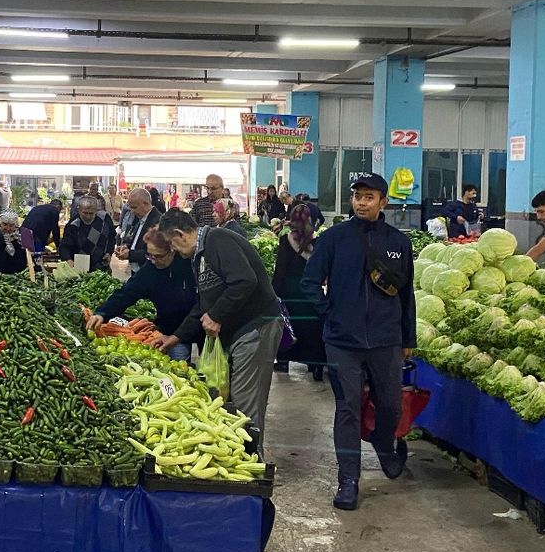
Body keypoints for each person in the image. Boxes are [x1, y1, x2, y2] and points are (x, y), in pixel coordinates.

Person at [300, 173, 415, 511]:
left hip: (386, 340)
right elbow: (309, 282)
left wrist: (408, 336)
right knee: (347, 409)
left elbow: (407, 294)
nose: (362, 202)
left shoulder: (398, 242)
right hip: (342, 341)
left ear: (384, 202)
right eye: (358, 197)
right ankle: (348, 479)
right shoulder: (334, 238)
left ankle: (383, 443)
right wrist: (329, 312)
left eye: (369, 197)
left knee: (391, 405)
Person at [153, 209, 282, 434]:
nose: (172, 249)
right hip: (239, 332)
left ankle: (251, 464)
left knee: (244, 403)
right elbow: (204, 304)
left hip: (255, 327)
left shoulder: (218, 240)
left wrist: (217, 315)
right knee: (230, 400)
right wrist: (175, 337)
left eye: (171, 243)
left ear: (180, 234)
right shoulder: (200, 255)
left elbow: (245, 280)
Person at [88, 228, 198, 362]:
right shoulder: (149, 271)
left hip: (199, 323)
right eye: (150, 255)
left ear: (172, 250)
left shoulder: (189, 264)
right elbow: (126, 293)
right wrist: (102, 313)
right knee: (179, 363)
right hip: (171, 331)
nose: (153, 260)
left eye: (158, 256)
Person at [273, 204, 326, 380]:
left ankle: (283, 361)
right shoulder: (318, 243)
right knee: (312, 329)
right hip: (310, 292)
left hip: (290, 292)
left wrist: (275, 294)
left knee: (289, 327)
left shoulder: (285, 241)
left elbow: (280, 271)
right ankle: (315, 366)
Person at [60, 196, 115, 272]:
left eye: (91, 213)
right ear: (79, 210)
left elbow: (111, 237)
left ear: (96, 211)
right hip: (80, 266)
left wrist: (109, 252)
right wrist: (68, 259)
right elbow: (65, 245)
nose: (88, 216)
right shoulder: (73, 225)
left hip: (101, 265)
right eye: (85, 213)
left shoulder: (104, 219)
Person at [116, 188, 161, 274]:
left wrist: (130, 254)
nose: (132, 211)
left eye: (134, 207)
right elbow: (136, 241)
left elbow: (155, 253)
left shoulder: (157, 222)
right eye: (130, 207)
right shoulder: (139, 218)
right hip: (137, 271)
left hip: (149, 273)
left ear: (145, 203)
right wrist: (126, 247)